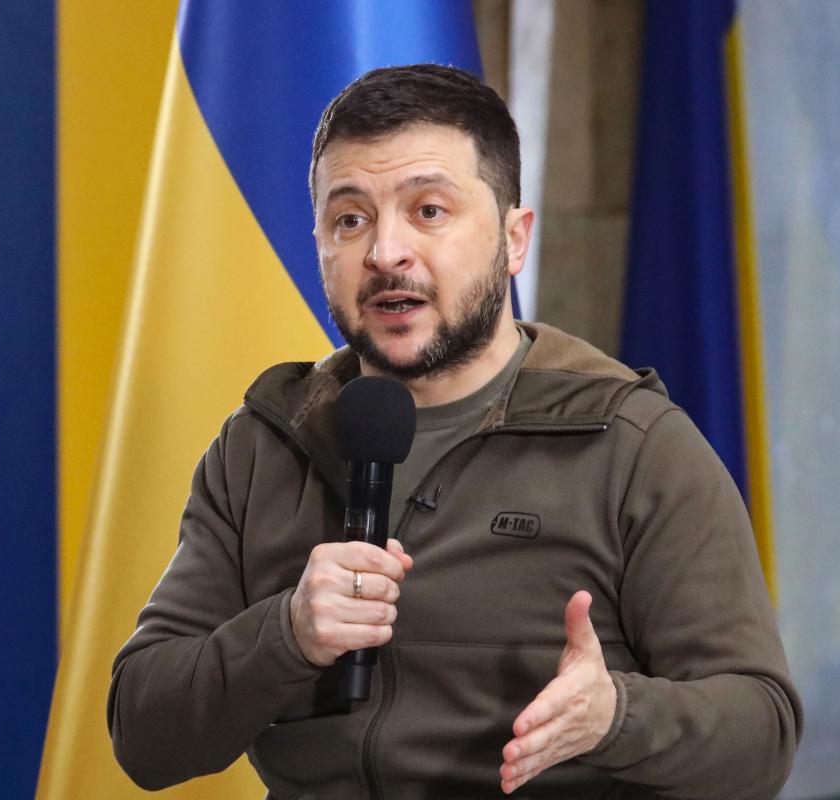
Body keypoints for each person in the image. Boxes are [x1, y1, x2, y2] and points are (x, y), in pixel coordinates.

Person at [108, 64, 801, 799]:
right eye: (350, 220)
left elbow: (762, 735)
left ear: (514, 239)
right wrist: (286, 634)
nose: (385, 253)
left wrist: (616, 718)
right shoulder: (261, 445)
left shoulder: (633, 445)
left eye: (429, 211)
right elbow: (143, 737)